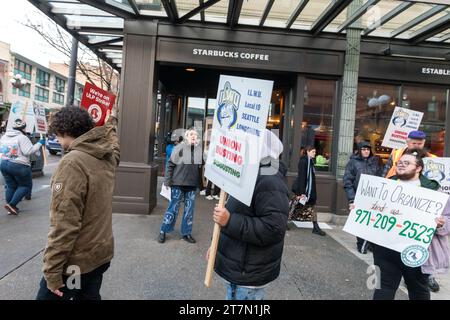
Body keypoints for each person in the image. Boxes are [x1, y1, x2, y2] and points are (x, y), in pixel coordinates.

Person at [36, 107, 120, 300]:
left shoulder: (72, 163)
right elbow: (115, 148)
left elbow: (64, 224)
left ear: (65, 132)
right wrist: (111, 123)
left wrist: (52, 271)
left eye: (57, 136)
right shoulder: (105, 155)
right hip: (100, 255)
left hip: (76, 264)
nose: (57, 140)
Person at [210, 129, 289, 300]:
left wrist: (229, 221)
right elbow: (238, 211)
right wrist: (216, 245)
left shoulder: (270, 179)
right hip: (240, 271)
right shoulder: (250, 173)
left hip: (248, 277)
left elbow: (273, 228)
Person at [370, 150, 450, 300]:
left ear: (418, 168)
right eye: (399, 162)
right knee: (383, 287)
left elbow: (448, 219)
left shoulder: (433, 189)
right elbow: (372, 209)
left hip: (415, 251)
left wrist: (441, 223)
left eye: (406, 163)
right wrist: (359, 208)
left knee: (418, 290)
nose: (401, 165)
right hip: (386, 248)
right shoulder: (386, 185)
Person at [158, 128, 203, 244]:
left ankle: (186, 233)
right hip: (177, 183)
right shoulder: (179, 148)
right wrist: (167, 181)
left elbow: (199, 168)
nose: (193, 136)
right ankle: (163, 230)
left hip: (191, 185)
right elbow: (170, 165)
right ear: (187, 136)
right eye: (191, 134)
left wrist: (200, 185)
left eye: (195, 135)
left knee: (189, 211)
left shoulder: (198, 150)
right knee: (173, 209)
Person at [343, 141, 383, 254]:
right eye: (364, 149)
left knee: (372, 222)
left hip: (373, 198)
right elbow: (347, 181)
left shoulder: (375, 162)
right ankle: (361, 243)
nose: (366, 151)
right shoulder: (353, 162)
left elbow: (381, 178)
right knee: (361, 221)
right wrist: (351, 199)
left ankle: (369, 243)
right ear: (359, 150)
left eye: (368, 149)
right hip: (358, 197)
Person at [0, 119, 45, 215]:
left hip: (4, 163)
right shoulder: (22, 138)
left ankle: (10, 206)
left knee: (11, 186)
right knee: (25, 186)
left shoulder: (4, 137)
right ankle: (12, 205)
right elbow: (28, 151)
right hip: (19, 165)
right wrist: (40, 143)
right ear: (23, 128)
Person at [290, 145, 326, 236]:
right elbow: (302, 177)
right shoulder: (303, 162)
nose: (315, 153)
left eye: (315, 152)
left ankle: (315, 227)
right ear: (308, 152)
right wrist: (302, 193)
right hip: (302, 190)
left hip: (309, 191)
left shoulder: (311, 162)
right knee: (293, 206)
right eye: (313, 152)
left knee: (312, 208)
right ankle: (283, 221)